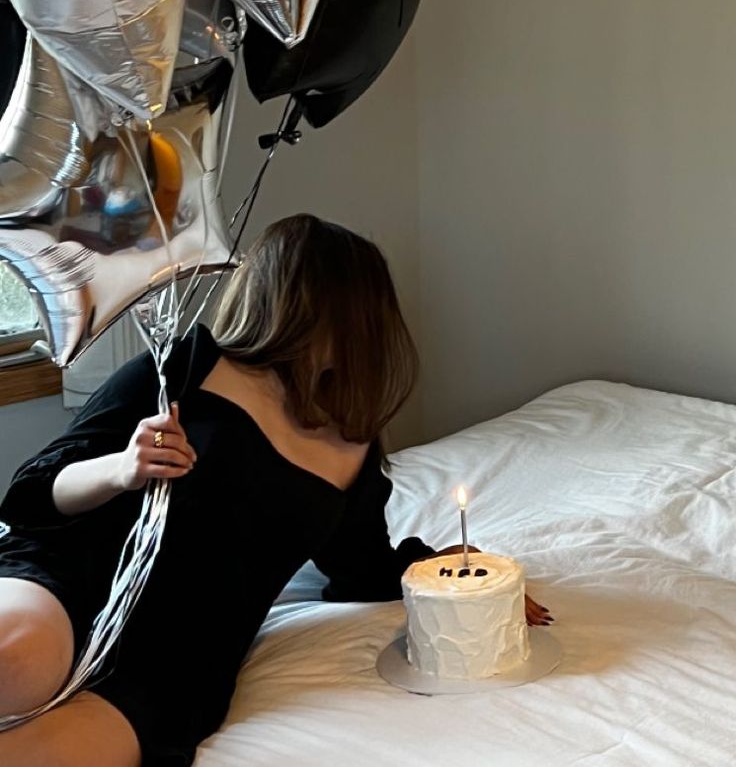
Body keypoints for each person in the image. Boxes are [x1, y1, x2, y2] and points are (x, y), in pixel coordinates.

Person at [0, 214, 552, 767]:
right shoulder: (184, 366)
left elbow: (360, 570)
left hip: (175, 659)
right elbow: (29, 496)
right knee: (18, 663)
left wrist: (454, 572)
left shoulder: (351, 442)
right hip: (69, 573)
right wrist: (123, 468)